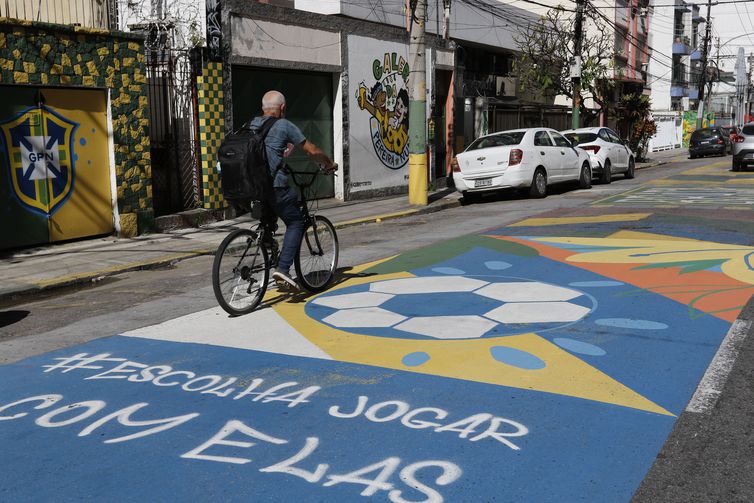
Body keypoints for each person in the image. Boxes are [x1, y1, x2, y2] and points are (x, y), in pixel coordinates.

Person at [246, 90, 338, 290]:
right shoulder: (284, 125)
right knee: (295, 222)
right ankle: (283, 268)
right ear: (283, 108)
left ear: (263, 109)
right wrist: (329, 164)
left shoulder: (252, 124)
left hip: (252, 187)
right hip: (274, 185)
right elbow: (311, 150)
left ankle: (267, 243)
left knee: (269, 219)